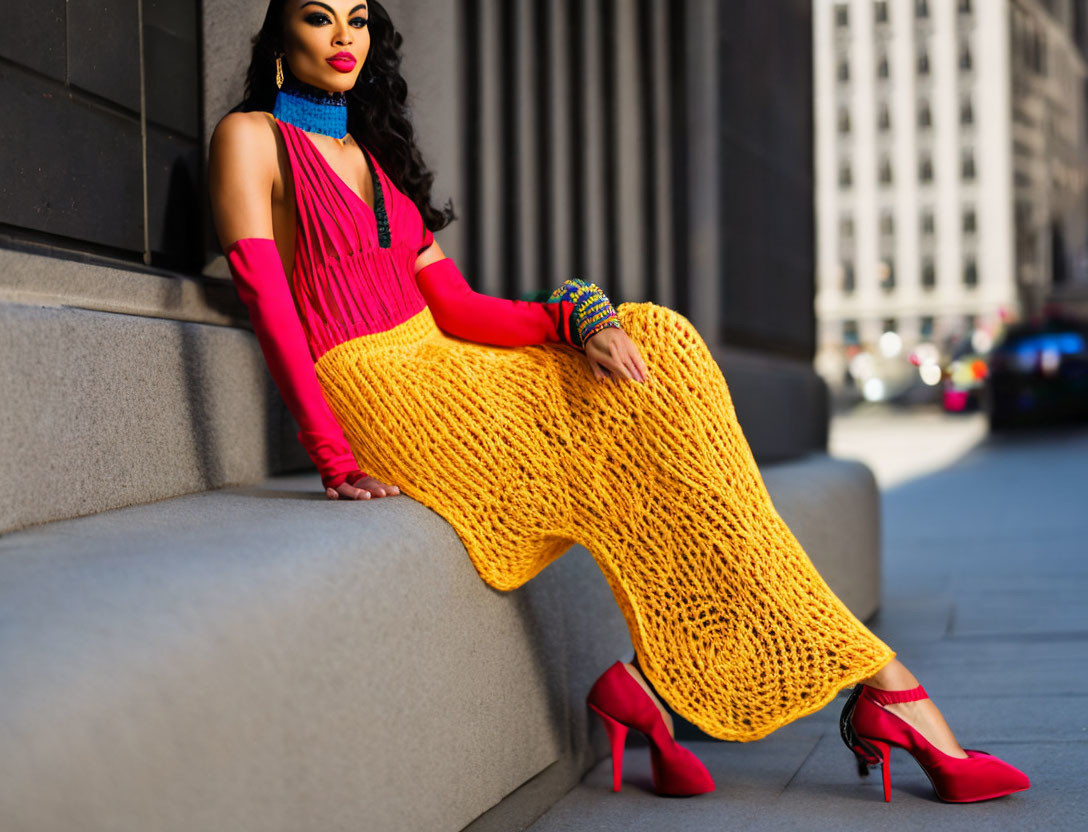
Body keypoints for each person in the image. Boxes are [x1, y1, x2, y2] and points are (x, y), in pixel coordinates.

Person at [207, 0, 1030, 803]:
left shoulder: (373, 157)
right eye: (319, 16)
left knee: (655, 341)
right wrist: (334, 459)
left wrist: (576, 313)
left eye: (357, 17)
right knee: (630, 442)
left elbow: (458, 309)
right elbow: (269, 305)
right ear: (281, 31)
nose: (343, 35)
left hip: (446, 358)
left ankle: (686, 682)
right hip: (381, 388)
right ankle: (862, 689)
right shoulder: (250, 139)